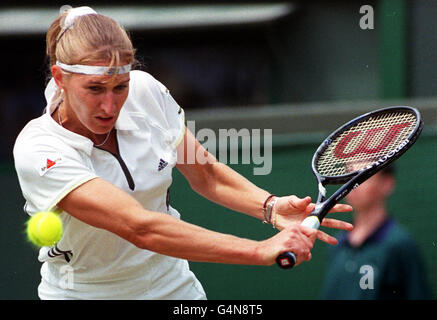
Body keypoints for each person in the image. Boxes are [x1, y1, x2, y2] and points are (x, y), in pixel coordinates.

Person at [13, 6, 353, 300]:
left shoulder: (147, 92)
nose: (109, 104)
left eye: (120, 87)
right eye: (95, 89)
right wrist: (259, 250)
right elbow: (140, 227)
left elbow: (205, 174)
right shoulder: (39, 149)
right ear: (60, 78)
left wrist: (270, 207)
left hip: (172, 289)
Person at [321, 166, 430, 299]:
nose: (353, 184)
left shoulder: (400, 245)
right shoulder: (337, 244)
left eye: (363, 176)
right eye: (349, 175)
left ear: (387, 183)